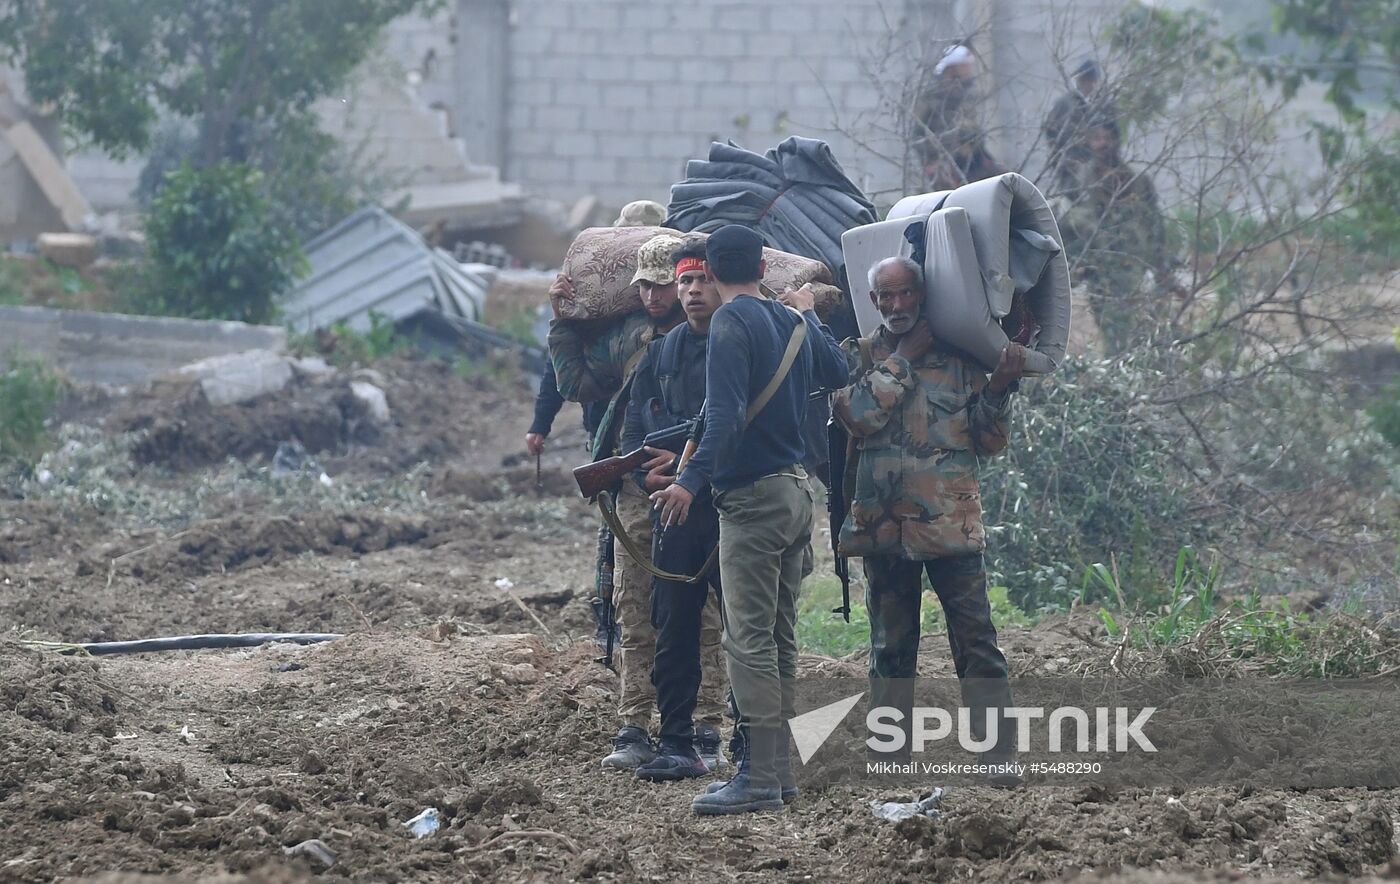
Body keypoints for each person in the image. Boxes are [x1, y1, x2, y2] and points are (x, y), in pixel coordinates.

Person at [651, 225, 850, 815]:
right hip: (794, 493)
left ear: (709, 272)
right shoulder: (791, 321)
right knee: (780, 636)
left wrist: (689, 481)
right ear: (764, 266)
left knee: (748, 641)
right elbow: (838, 372)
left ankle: (761, 775)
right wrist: (811, 314)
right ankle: (779, 770)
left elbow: (727, 418)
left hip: (755, 500)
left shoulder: (730, 324)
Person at [831, 256, 1031, 787]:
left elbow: (989, 442)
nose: (896, 306)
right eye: (886, 297)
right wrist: (901, 360)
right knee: (891, 647)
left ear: (922, 296)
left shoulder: (961, 356)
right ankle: (891, 760)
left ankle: (997, 757)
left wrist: (1000, 389)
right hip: (883, 527)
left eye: (905, 295)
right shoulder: (859, 355)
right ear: (873, 301)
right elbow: (855, 416)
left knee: (976, 641)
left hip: (952, 525)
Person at [549, 234, 690, 770]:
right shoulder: (630, 336)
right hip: (636, 487)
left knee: (700, 610)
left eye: (663, 285)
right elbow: (577, 383)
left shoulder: (716, 337)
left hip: (698, 482)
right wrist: (562, 322)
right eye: (645, 287)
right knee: (635, 605)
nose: (654, 297)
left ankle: (701, 724)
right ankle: (633, 722)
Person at [620, 237, 730, 780]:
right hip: (678, 510)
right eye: (683, 280)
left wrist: (690, 465)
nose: (690, 291)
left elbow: (736, 423)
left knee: (746, 627)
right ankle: (676, 740)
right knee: (672, 625)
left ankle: (754, 744)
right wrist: (650, 472)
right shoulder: (661, 355)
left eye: (701, 280)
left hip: (734, 502)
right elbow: (638, 428)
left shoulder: (742, 343)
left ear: (723, 284)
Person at [1056, 115, 1172, 354]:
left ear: (1117, 140)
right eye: (1096, 138)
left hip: (1132, 266)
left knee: (1138, 325)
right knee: (1109, 325)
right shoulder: (1080, 182)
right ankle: (1119, 367)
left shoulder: (1137, 181)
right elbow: (1069, 225)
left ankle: (1132, 368)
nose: (1102, 144)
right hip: (1098, 268)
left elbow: (1154, 224)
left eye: (1107, 138)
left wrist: (1161, 265)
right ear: (1088, 142)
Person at [911, 43, 1001, 191]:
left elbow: (977, 134)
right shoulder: (930, 101)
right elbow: (917, 135)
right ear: (951, 71)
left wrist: (971, 145)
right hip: (942, 163)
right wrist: (937, 157)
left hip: (971, 163)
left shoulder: (967, 99)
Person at [1043, 58, 1118, 193]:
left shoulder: (1105, 106)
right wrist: (1067, 162)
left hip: (1102, 172)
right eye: (1084, 79)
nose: (1088, 83)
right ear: (1079, 80)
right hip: (1071, 173)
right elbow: (1052, 135)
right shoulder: (1065, 105)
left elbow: (1115, 136)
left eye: (1092, 79)